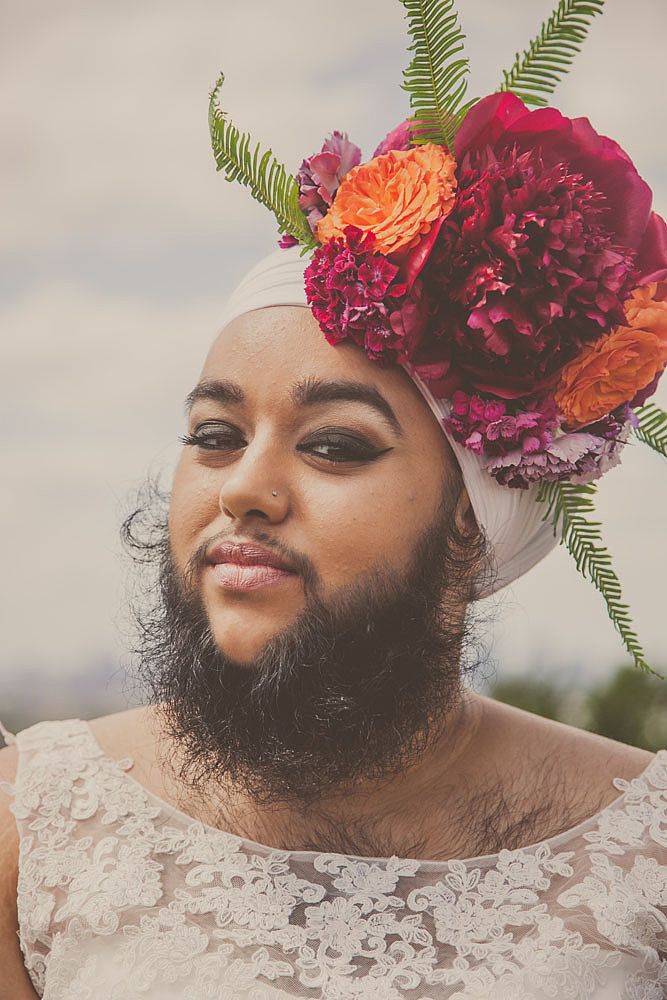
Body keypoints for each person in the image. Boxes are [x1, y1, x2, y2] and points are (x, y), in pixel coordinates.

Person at [1, 1, 666, 996]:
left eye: (333, 445)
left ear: (470, 520)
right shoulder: (32, 824)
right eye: (215, 435)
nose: (244, 490)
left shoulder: (643, 859)